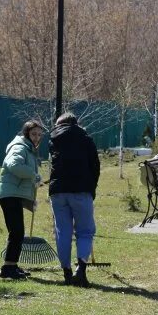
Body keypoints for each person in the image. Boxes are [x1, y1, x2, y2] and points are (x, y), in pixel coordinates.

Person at [48, 113, 100, 287]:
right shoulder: (86, 139)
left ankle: (66, 272)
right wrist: (91, 188)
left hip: (58, 192)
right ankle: (81, 270)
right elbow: (95, 166)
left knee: (62, 232)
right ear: (76, 124)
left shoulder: (53, 140)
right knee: (85, 231)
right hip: (81, 190)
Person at [0, 120, 44, 280]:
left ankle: (12, 266)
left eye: (39, 135)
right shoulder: (19, 147)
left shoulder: (29, 149)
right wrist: (33, 175)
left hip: (14, 194)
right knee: (16, 232)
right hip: (9, 195)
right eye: (33, 134)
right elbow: (13, 165)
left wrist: (30, 201)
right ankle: (7, 268)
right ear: (26, 134)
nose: (36, 138)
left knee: (17, 232)